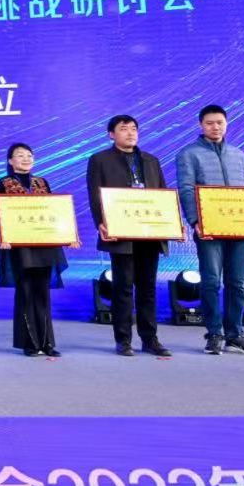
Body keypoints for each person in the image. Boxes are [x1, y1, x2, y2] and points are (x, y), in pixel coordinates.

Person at [176, 104, 244, 356]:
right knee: (211, 281)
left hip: (238, 228)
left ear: (226, 124)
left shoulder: (238, 154)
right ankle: (214, 333)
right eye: (210, 123)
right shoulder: (188, 154)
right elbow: (186, 188)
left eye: (220, 123)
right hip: (209, 228)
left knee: (237, 283)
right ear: (201, 125)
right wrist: (195, 220)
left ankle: (235, 335)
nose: (215, 127)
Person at [87, 115, 173, 358]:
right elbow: (95, 194)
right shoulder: (100, 160)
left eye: (134, 129)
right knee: (123, 287)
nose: (130, 133)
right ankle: (123, 340)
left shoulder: (151, 160)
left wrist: (170, 224)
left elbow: (162, 194)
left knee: (147, 288)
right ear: (111, 134)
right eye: (124, 129)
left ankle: (150, 339)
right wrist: (100, 222)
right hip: (120, 230)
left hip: (149, 232)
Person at [0, 143, 72, 358]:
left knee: (43, 293)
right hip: (20, 246)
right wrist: (3, 236)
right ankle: (30, 343)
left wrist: (67, 234)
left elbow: (53, 212)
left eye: (29, 155)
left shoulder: (42, 182)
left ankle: (47, 343)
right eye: (20, 155)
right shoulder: (3, 183)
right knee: (26, 292)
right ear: (10, 161)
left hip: (45, 244)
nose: (26, 159)